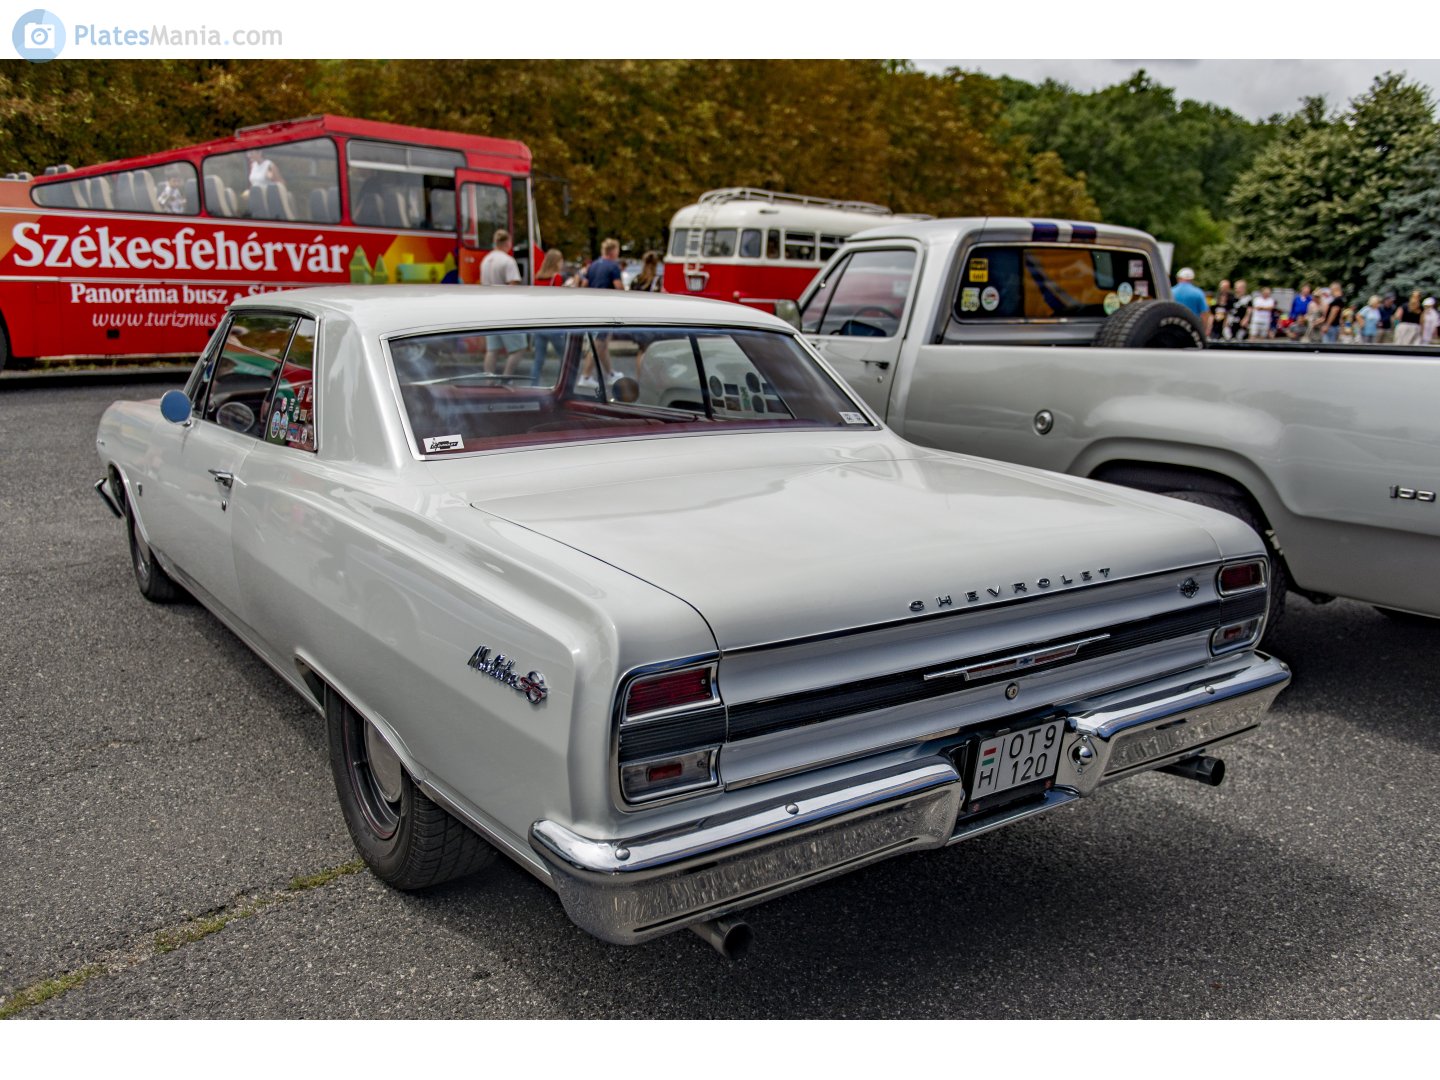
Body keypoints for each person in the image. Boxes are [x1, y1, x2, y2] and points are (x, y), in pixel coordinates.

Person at [479, 229, 526, 375]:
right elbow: (513, 285)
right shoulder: (508, 261)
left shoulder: (485, 260)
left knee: (492, 350)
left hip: (489, 309)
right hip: (505, 310)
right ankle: (506, 379)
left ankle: (488, 379)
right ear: (507, 243)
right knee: (519, 348)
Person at [1172, 267, 1211, 336]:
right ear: (1191, 279)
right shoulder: (1199, 293)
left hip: (1174, 327)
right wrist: (1205, 330)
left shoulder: (1171, 291)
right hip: (1193, 329)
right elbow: (1204, 313)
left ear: (1178, 278)